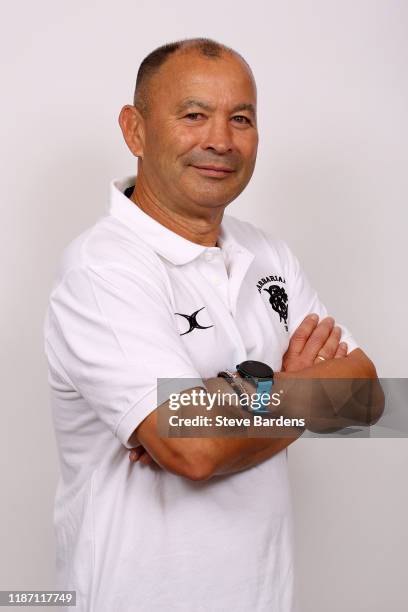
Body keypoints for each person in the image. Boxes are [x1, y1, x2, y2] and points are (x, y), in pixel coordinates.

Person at [43, 38, 381, 612]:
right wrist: (293, 389)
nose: (221, 140)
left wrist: (224, 404)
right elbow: (195, 449)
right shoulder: (101, 270)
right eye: (194, 115)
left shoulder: (269, 255)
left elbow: (366, 399)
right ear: (136, 130)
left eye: (241, 119)